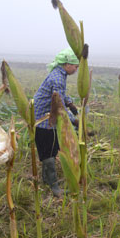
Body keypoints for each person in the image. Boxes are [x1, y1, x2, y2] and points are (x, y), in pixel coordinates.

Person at [34, 48, 79, 197]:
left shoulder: (59, 74)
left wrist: (70, 103)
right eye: (75, 66)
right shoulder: (58, 78)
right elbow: (59, 105)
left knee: (51, 149)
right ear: (66, 64)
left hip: (48, 116)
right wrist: (73, 121)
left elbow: (61, 96)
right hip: (45, 119)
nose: (76, 69)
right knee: (49, 152)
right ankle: (54, 188)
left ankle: (46, 180)